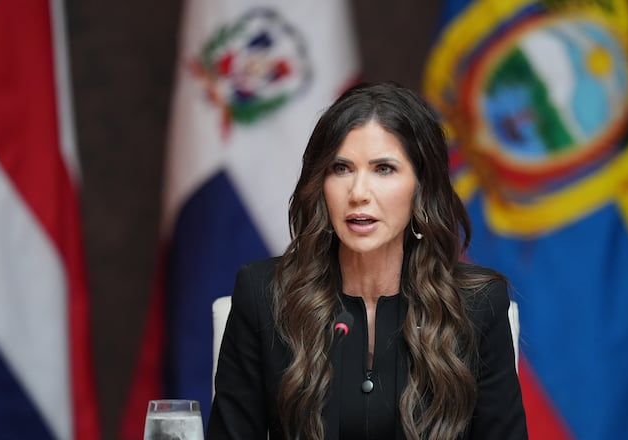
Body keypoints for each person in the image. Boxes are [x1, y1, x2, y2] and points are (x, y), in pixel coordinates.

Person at [206, 82, 527, 440]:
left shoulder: (477, 305)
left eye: (384, 169)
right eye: (341, 168)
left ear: (421, 185)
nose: (358, 193)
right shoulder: (264, 295)